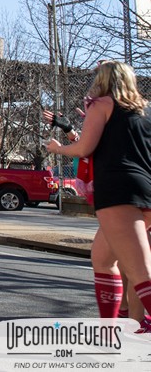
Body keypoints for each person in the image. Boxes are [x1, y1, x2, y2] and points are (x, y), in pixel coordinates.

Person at [47, 61, 151, 326]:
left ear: (103, 80)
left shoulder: (102, 105)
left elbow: (84, 148)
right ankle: (111, 331)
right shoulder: (145, 109)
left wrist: (57, 149)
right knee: (102, 259)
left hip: (118, 192)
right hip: (145, 190)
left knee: (139, 272)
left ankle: (126, 329)